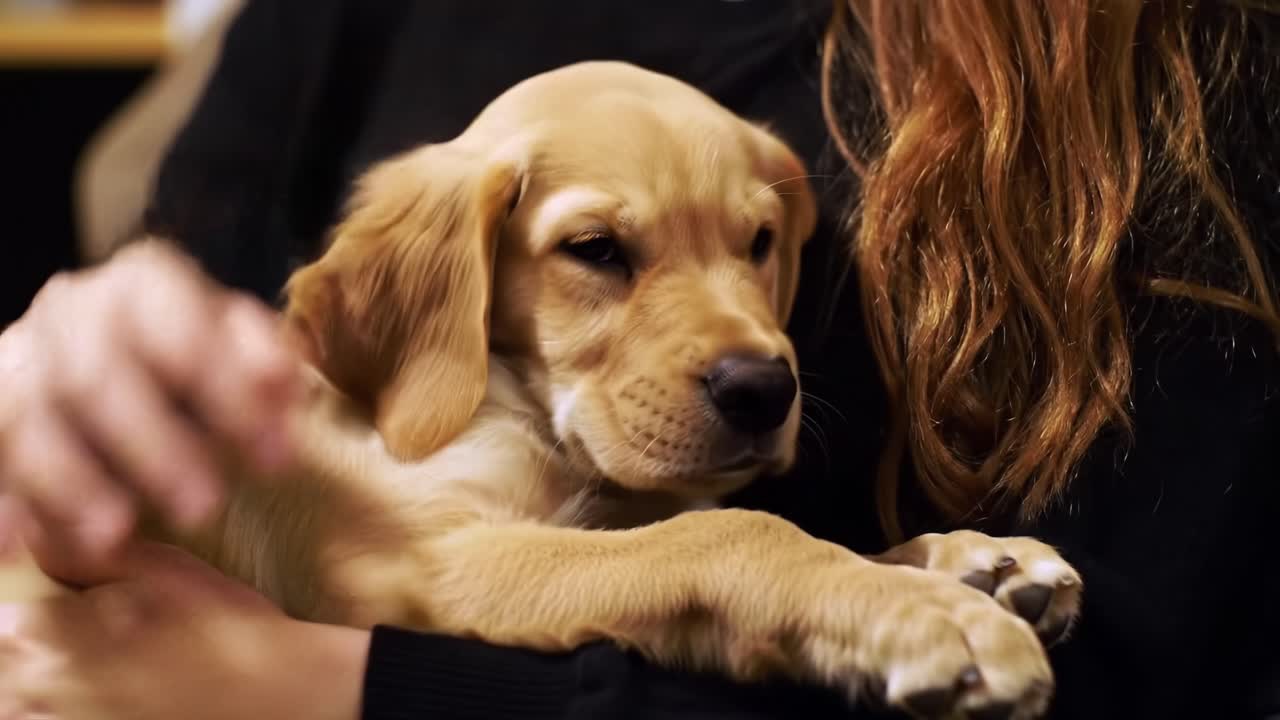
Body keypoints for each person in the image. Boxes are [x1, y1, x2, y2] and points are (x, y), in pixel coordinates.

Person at [1, 1, 1277, 718]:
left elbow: (1152, 678)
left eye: (761, 248)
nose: (752, 346)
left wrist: (862, 581)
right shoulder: (384, 135)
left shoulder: (1178, 66)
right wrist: (71, 356)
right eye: (601, 251)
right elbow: (433, 556)